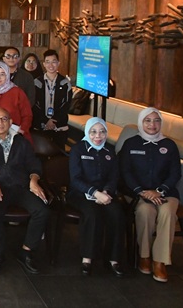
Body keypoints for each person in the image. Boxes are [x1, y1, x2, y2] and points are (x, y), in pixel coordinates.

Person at [0, 107, 50, 276]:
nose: (0, 123)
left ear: (11, 122)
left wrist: (34, 181)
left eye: (4, 119)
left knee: (42, 210)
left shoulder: (21, 142)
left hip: (21, 187)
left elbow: (34, 165)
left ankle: (26, 251)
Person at [120, 107, 181, 283]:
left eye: (156, 120)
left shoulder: (169, 145)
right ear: (141, 122)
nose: (152, 125)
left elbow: (175, 174)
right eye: (147, 120)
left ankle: (160, 261)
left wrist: (159, 191)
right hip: (138, 193)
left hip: (166, 193)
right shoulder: (131, 144)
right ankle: (144, 256)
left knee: (167, 213)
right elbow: (125, 172)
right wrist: (141, 191)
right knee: (145, 212)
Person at [66, 117, 125, 277]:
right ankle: (87, 258)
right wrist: (94, 192)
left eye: (102, 132)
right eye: (93, 132)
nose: (98, 136)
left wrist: (106, 192)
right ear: (87, 132)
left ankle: (113, 259)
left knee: (117, 213)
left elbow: (113, 177)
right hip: (79, 194)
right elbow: (75, 179)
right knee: (92, 214)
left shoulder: (109, 151)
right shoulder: (78, 149)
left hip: (105, 194)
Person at [0, 62, 33, 143]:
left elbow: (27, 115)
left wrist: (22, 130)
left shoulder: (17, 92)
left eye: (2, 74)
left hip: (16, 136)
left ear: (7, 75)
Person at [32, 50, 72, 149]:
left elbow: (66, 104)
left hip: (59, 126)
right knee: (41, 153)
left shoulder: (65, 82)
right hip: (41, 125)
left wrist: (54, 120)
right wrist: (46, 120)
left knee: (59, 153)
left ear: (58, 63)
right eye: (48, 62)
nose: (51, 65)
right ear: (44, 64)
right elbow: (34, 104)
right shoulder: (37, 82)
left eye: (54, 62)